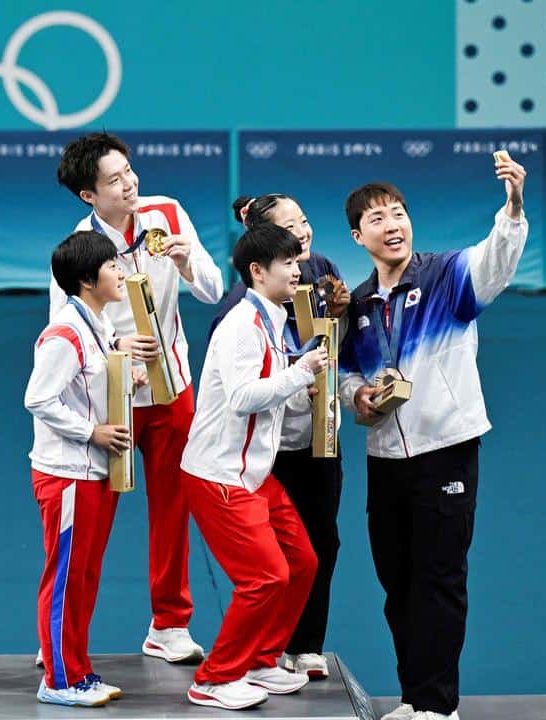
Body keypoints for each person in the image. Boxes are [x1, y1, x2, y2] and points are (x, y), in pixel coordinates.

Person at [338, 154, 528, 720]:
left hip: (446, 448)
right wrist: (357, 397)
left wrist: (513, 206)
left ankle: (438, 707)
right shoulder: (361, 303)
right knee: (397, 583)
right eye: (378, 219)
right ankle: (414, 699)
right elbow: (347, 371)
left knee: (440, 579)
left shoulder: (446, 276)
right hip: (385, 457)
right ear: (358, 235)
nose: (393, 225)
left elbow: (497, 259)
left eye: (399, 214)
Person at [52, 132, 223, 662]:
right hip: (111, 399)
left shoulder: (167, 214)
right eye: (114, 180)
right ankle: (64, 633)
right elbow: (62, 327)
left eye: (129, 171)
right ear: (89, 196)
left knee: (173, 509)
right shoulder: (78, 248)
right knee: (91, 518)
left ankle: (169, 625)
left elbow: (213, 291)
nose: (130, 185)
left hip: (172, 390)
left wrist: (188, 257)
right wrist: (115, 344)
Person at [179, 222, 326, 710]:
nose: (297, 268)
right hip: (219, 475)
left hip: (255, 474)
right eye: (286, 263)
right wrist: (299, 372)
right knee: (264, 578)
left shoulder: (274, 318)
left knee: (301, 563)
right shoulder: (242, 325)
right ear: (258, 272)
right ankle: (215, 678)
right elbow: (243, 398)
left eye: (296, 260)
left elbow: (271, 394)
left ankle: (263, 660)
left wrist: (297, 381)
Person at [208, 193, 351, 680]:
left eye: (306, 222)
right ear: (261, 258)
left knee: (321, 544)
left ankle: (305, 645)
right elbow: (240, 388)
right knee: (270, 560)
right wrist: (298, 372)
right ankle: (260, 652)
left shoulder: (324, 271)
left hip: (320, 436)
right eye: (290, 230)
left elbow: (336, 348)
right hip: (268, 449)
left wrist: (343, 317)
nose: (304, 234)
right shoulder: (237, 313)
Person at [25, 230, 147, 707]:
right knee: (65, 576)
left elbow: (91, 391)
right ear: (85, 279)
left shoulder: (98, 325)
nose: (121, 273)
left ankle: (77, 669)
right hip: (67, 472)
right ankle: (56, 678)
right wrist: (90, 432)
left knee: (85, 574)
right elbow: (37, 397)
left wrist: (129, 381)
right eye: (112, 266)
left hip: (96, 472)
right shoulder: (65, 332)